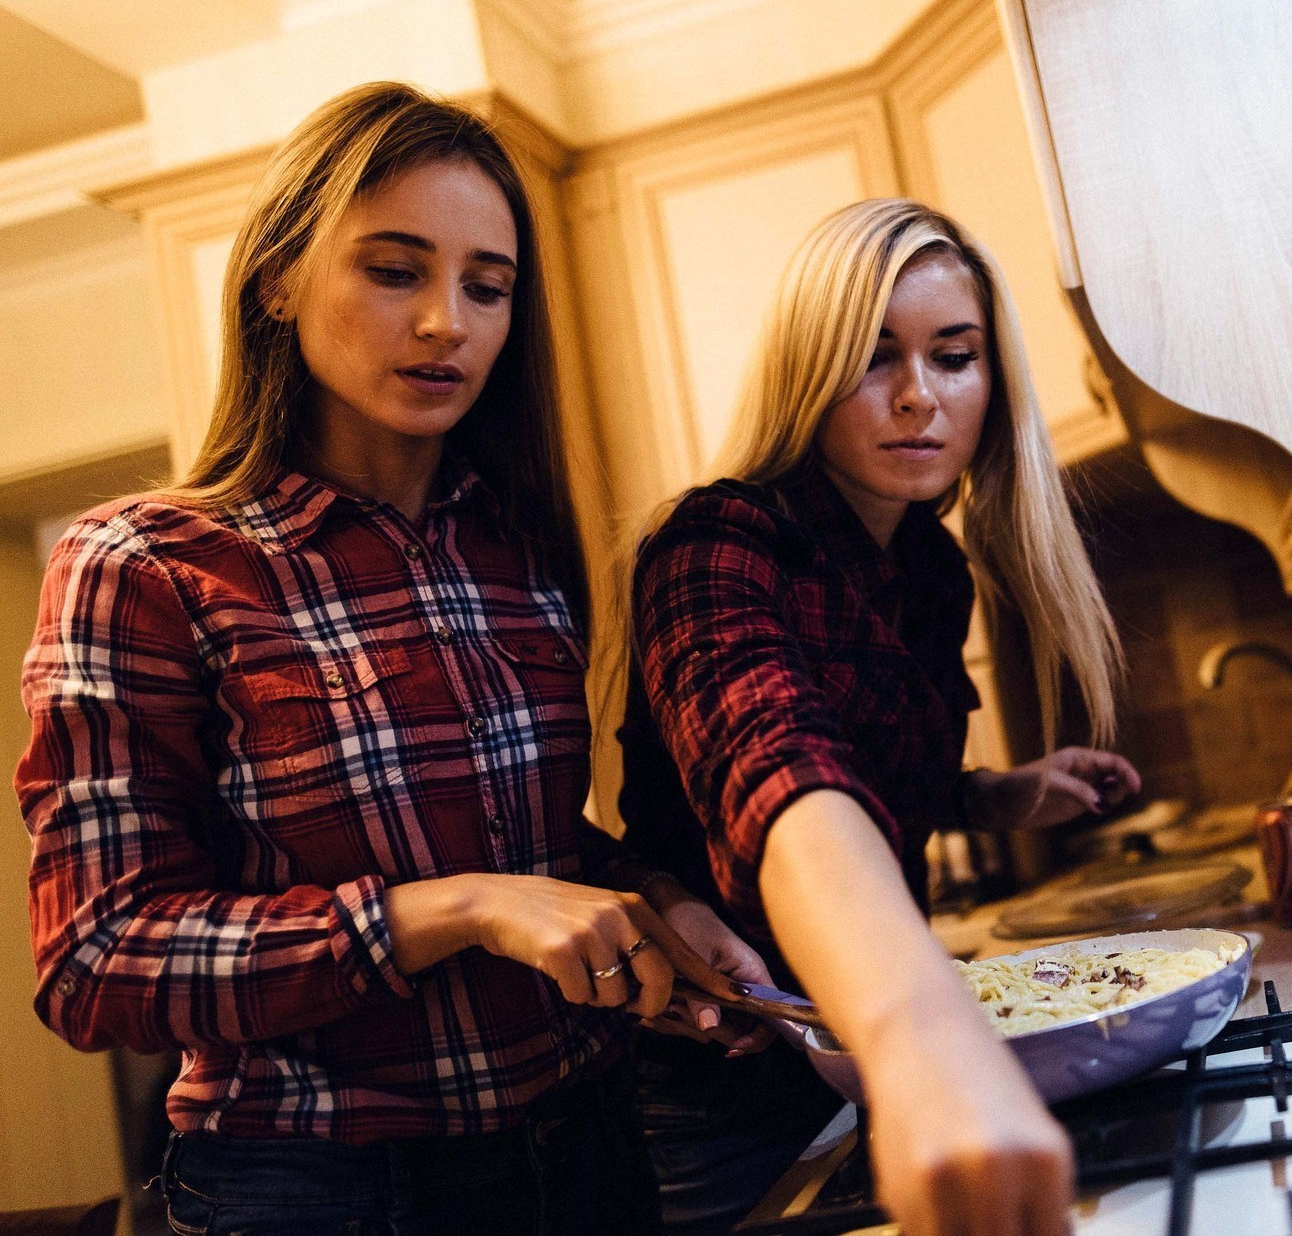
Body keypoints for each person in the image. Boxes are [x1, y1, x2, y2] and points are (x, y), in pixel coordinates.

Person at [15, 81, 766, 1236]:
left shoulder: (514, 544)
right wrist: (452, 910)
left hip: (589, 1149)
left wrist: (651, 904)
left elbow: (525, 845)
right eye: (394, 270)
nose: (445, 323)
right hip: (323, 1189)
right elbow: (96, 962)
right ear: (277, 280)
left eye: (487, 287)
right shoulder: (145, 564)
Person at [620, 198, 1140, 1236]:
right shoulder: (715, 543)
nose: (918, 396)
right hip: (720, 1087)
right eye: (873, 357)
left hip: (863, 1066)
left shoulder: (932, 570)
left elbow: (871, 774)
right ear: (808, 372)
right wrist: (921, 1034)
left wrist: (990, 796)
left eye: (954, 357)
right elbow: (776, 771)